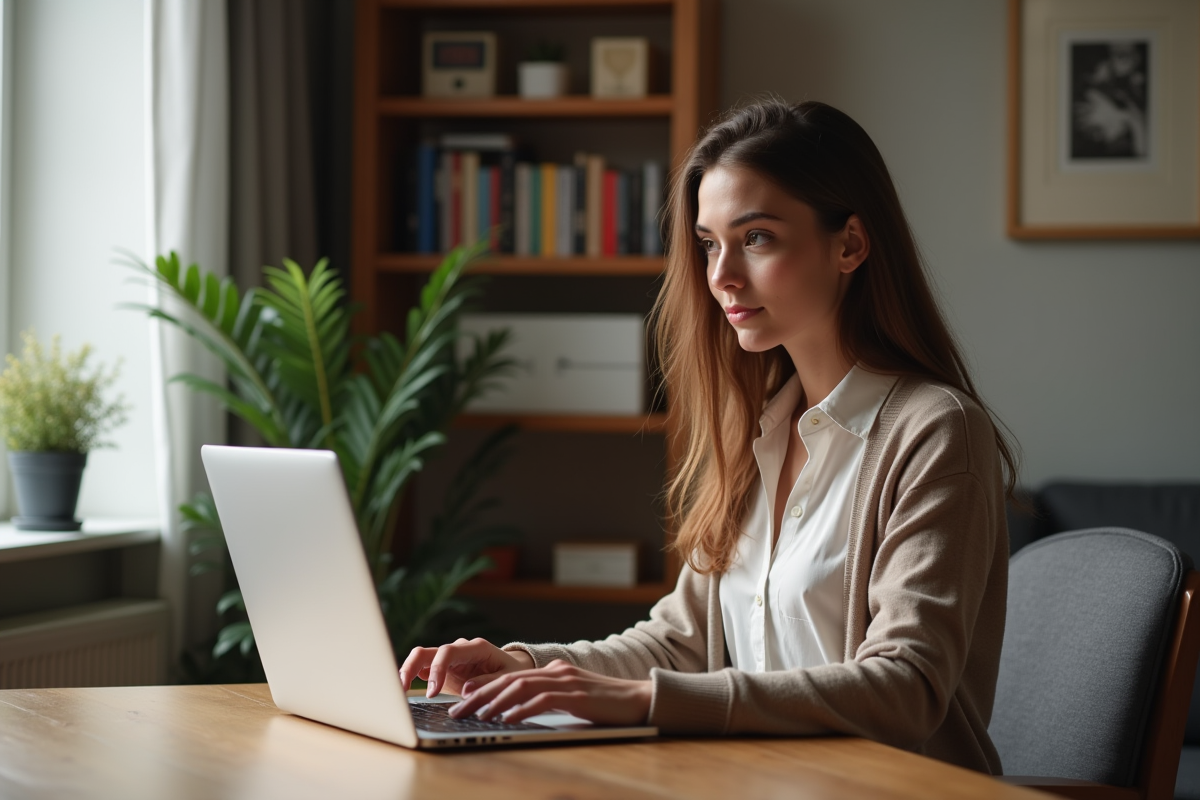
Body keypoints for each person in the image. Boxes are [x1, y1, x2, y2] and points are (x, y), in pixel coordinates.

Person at [399, 99, 1016, 774]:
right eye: (708, 242)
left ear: (850, 244)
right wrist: (526, 664)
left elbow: (906, 687)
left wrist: (643, 702)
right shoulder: (758, 431)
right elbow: (678, 643)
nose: (720, 275)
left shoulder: (936, 431)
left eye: (756, 238)